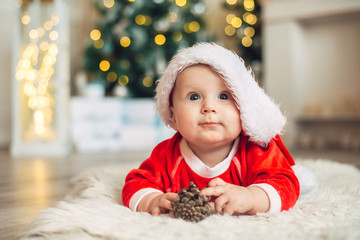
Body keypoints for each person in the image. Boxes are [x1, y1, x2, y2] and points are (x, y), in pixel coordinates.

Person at [122, 42, 316, 216]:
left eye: (224, 96)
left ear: (243, 108)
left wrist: (251, 196)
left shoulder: (255, 150)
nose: (209, 107)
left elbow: (285, 184)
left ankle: (298, 171)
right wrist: (152, 200)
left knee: (292, 177)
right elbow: (136, 183)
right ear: (172, 115)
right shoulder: (166, 155)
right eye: (194, 97)